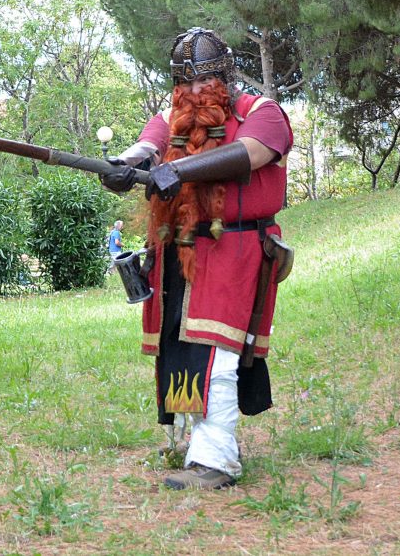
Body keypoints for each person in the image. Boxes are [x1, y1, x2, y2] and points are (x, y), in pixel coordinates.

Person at [101, 27, 293, 490]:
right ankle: (194, 444)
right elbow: (146, 148)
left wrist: (178, 170)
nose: (194, 91)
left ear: (225, 77)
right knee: (182, 348)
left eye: (204, 80)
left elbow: (248, 154)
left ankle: (216, 460)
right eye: (185, 82)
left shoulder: (262, 113)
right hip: (177, 250)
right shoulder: (171, 117)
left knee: (217, 349)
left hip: (236, 248)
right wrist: (123, 166)